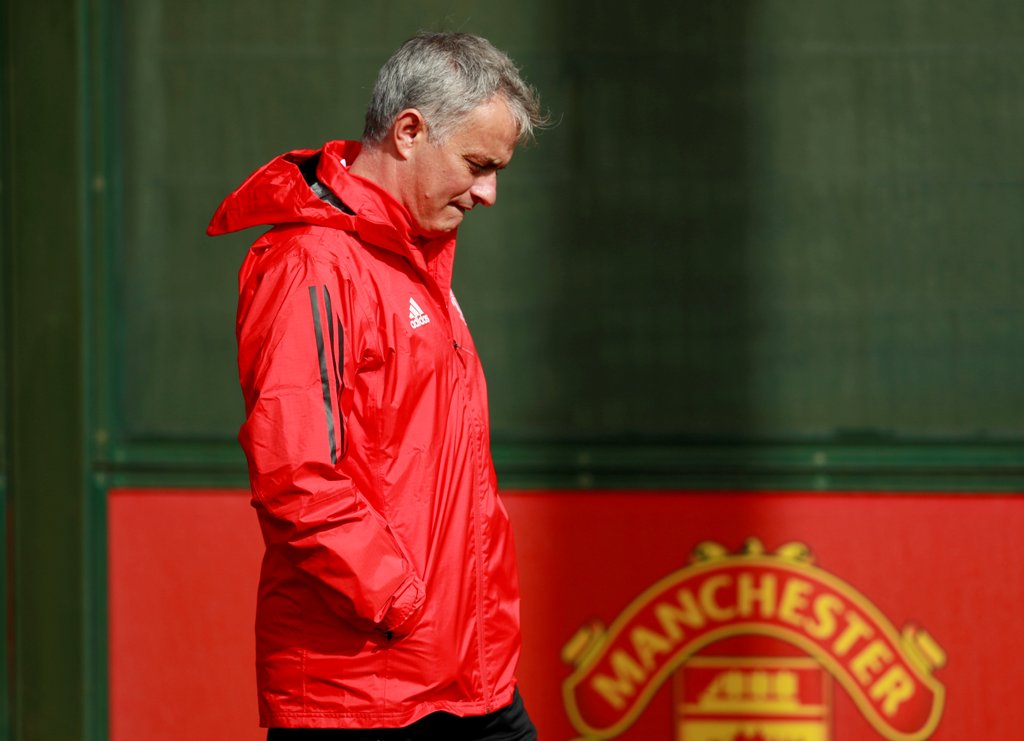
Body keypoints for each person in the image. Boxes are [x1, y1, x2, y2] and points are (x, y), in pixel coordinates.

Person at [206, 32, 546, 740]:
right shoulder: (311, 264)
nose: (489, 193)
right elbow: (295, 473)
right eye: (478, 165)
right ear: (409, 130)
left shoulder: (415, 259)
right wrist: (403, 603)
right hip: (364, 692)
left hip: (467, 678)